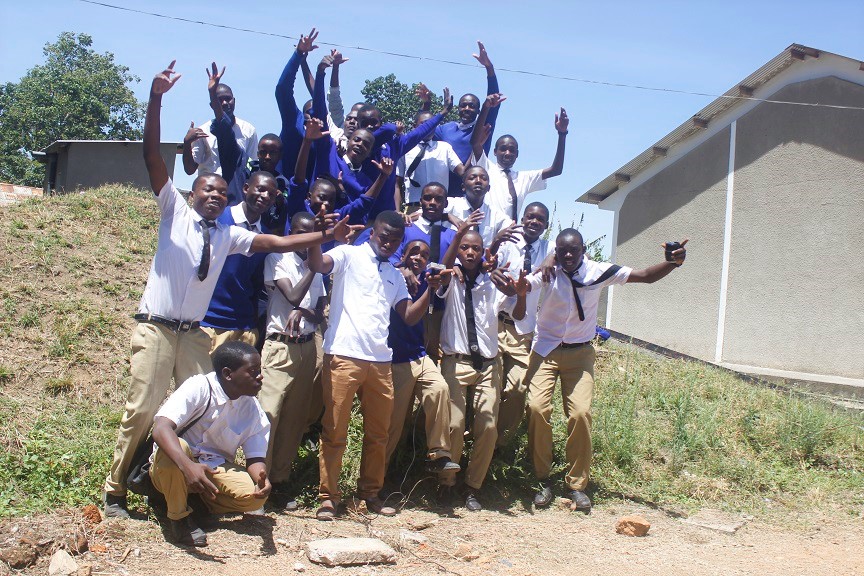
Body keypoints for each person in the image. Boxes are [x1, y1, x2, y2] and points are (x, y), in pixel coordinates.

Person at [103, 61, 356, 519]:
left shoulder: (228, 235)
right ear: (193, 191)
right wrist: (156, 98)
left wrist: (326, 238)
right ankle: (117, 487)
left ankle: (178, 487)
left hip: (195, 334)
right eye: (208, 189)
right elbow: (152, 158)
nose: (216, 195)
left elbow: (276, 241)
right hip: (158, 329)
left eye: (222, 191)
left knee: (204, 413)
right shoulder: (173, 212)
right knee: (143, 410)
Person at [525, 229, 688, 512]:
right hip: (545, 351)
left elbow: (645, 275)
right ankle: (543, 478)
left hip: (580, 354)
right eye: (562, 250)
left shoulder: (598, 272)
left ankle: (577, 484)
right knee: (537, 408)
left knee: (580, 413)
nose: (567, 255)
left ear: (583, 249)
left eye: (572, 250)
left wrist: (673, 263)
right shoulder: (550, 272)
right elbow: (522, 287)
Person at [306, 211, 433, 520]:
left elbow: (409, 315)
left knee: (379, 433)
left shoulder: (394, 273)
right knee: (335, 429)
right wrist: (322, 236)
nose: (388, 243)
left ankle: (369, 492)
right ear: (373, 233)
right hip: (344, 356)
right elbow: (317, 265)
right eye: (384, 236)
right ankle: (328, 497)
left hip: (381, 362)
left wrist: (432, 288)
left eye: (395, 239)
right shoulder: (348, 255)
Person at [435, 225, 528, 511]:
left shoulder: (493, 283)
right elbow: (442, 267)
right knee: (454, 424)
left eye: (476, 247)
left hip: (488, 364)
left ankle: (472, 486)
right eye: (465, 247)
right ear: (458, 251)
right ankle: (447, 483)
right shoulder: (450, 279)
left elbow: (518, 312)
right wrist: (456, 247)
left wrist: (520, 293)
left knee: (487, 426)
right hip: (456, 362)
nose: (471, 252)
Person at [149, 341, 271, 547]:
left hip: (212, 468)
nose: (260, 377)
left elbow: (255, 457)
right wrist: (188, 467)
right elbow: (160, 428)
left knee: (254, 498)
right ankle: (179, 518)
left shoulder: (252, 408)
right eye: (253, 371)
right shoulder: (199, 387)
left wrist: (261, 478)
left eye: (259, 371)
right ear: (228, 374)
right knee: (178, 447)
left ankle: (195, 502)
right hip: (173, 465)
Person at [259, 212, 327, 510]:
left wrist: (307, 310)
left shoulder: (320, 271)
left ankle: (281, 481)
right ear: (292, 231)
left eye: (310, 234)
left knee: (294, 418)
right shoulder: (278, 259)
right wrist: (313, 268)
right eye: (300, 233)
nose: (303, 239)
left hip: (307, 347)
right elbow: (294, 296)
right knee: (269, 414)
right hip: (279, 347)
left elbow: (319, 312)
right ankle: (257, 482)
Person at [384, 239, 460, 480]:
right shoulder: (393, 275)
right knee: (392, 428)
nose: (418, 258)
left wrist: (460, 233)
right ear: (404, 254)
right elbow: (391, 264)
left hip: (419, 355)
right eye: (413, 252)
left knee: (439, 388)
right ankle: (373, 482)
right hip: (396, 360)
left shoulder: (428, 277)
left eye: (424, 255)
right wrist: (401, 267)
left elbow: (444, 269)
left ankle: (439, 454)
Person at [491, 202, 552, 448]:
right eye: (530, 217)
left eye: (540, 219)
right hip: (495, 323)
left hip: (522, 330)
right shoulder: (508, 244)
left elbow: (581, 253)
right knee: (490, 385)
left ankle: (500, 444)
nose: (534, 222)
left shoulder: (550, 248)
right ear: (523, 218)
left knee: (517, 388)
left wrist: (552, 257)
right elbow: (489, 265)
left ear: (546, 225)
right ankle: (478, 436)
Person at [200, 171, 277, 352]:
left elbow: (257, 285)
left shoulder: (265, 236)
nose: (265, 196)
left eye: (271, 194)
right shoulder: (219, 220)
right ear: (245, 188)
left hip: (244, 328)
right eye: (261, 189)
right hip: (208, 323)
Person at [470, 94, 568, 222]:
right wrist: (485, 107)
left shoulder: (523, 178)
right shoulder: (486, 168)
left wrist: (562, 134)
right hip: (485, 233)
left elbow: (556, 170)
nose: (507, 153)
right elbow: (475, 143)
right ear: (495, 152)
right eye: (503, 149)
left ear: (517, 155)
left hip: (511, 236)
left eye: (512, 150)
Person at [420, 41, 500, 197]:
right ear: (457, 108)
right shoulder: (446, 129)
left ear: (478, 110)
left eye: (471, 106)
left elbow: (493, 103)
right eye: (463, 105)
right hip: (444, 195)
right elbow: (423, 130)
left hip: (471, 193)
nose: (467, 109)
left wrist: (489, 68)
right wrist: (426, 105)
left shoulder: (481, 129)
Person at [182, 63, 257, 184]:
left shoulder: (248, 130)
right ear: (212, 105)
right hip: (209, 189)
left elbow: (252, 165)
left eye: (228, 98)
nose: (225, 103)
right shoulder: (202, 131)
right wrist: (187, 143)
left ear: (234, 101)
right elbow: (190, 170)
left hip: (237, 191)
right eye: (220, 100)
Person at [395, 110, 466, 209]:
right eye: (425, 124)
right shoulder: (405, 149)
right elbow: (397, 182)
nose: (429, 128)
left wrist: (476, 147)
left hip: (440, 209)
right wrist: (397, 211)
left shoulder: (445, 148)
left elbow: (463, 172)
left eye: (432, 124)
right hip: (413, 208)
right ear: (414, 125)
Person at [445, 165, 515, 250]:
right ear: (463, 187)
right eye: (472, 178)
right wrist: (447, 216)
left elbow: (513, 228)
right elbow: (425, 211)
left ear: (489, 188)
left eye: (484, 178)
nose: (478, 181)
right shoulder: (449, 204)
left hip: (482, 262)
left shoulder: (495, 215)